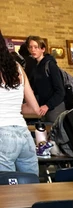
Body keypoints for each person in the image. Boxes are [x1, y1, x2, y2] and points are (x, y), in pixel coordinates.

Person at [0, 30, 41, 175]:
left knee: (6, 193)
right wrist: (13, 107)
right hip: (24, 134)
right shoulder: (17, 67)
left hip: (2, 136)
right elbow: (35, 109)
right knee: (32, 188)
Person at [25, 36, 65, 123]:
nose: (33, 50)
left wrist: (47, 106)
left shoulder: (50, 65)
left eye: (36, 47)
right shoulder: (34, 66)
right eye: (30, 47)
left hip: (54, 108)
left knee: (54, 132)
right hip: (42, 108)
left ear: (43, 49)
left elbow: (60, 91)